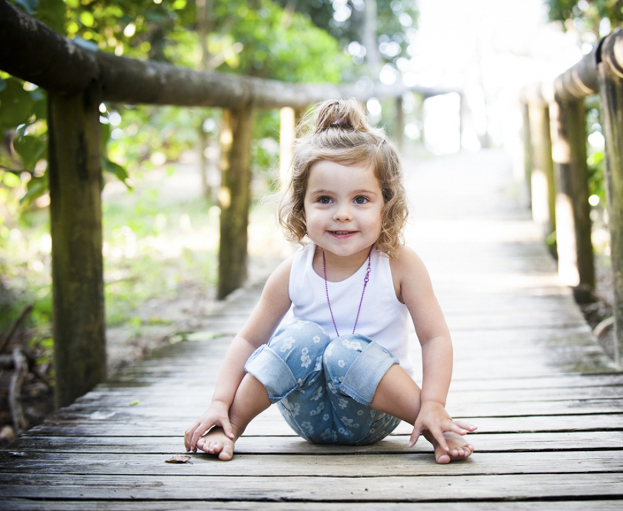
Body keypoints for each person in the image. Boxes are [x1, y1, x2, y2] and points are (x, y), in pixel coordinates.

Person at [184, 99, 476, 464]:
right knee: (300, 337)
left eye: (360, 199)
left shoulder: (400, 265)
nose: (342, 214)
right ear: (301, 206)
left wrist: (432, 402)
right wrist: (218, 401)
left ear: (385, 204)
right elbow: (249, 339)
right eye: (324, 199)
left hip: (377, 413)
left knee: (346, 351)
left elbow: (434, 337)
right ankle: (228, 427)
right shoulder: (295, 270)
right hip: (308, 415)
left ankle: (432, 423)